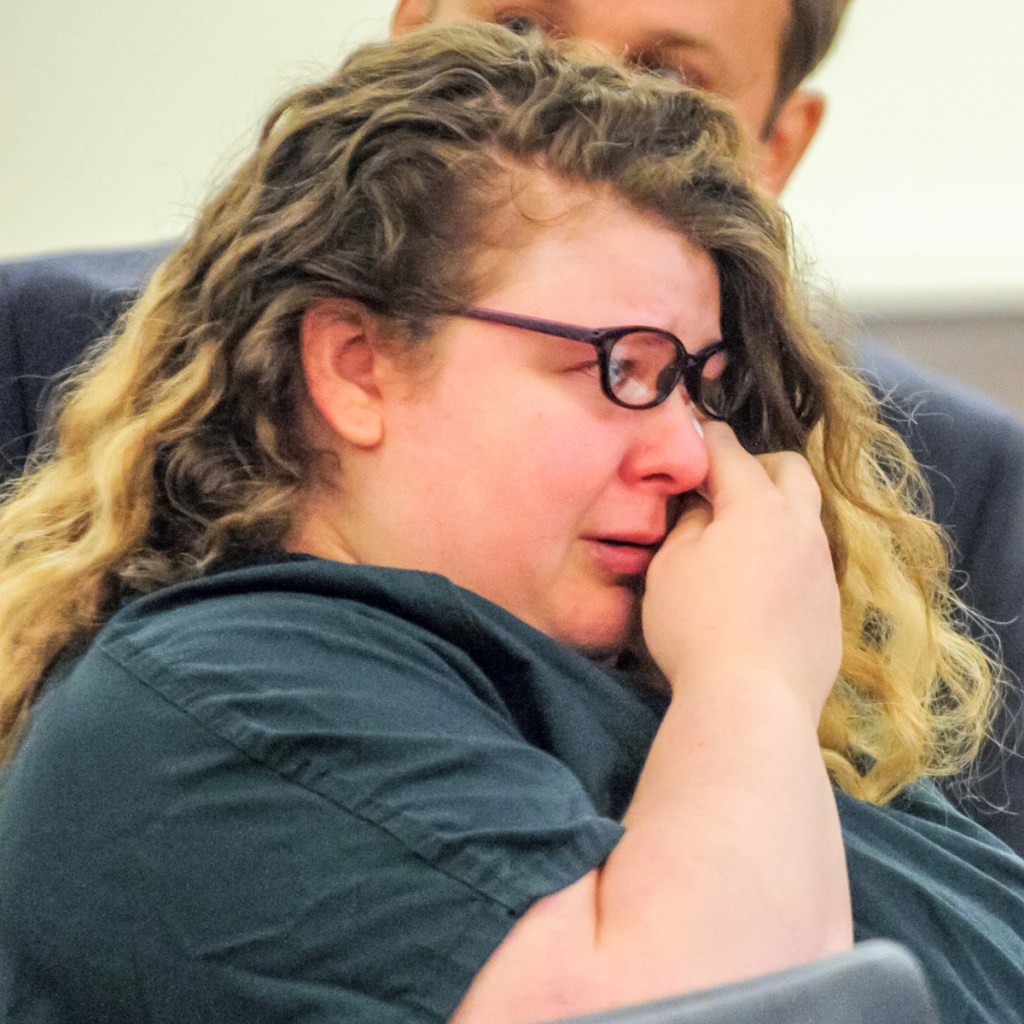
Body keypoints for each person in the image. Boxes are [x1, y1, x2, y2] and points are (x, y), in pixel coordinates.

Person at [1, 23, 1022, 1024]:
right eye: (621, 367)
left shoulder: (654, 697)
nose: (685, 453)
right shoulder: (223, 696)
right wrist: (748, 677)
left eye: (702, 388)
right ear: (357, 365)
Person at [387, 0, 1024, 857]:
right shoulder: (173, 391)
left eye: (666, 79)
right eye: (518, 34)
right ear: (407, 31)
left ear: (776, 148)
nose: (576, 103)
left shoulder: (955, 483)